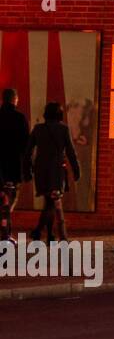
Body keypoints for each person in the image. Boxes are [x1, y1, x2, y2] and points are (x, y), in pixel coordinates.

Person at [25, 101, 80, 243]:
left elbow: (28, 151)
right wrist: (76, 169)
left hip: (41, 170)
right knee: (51, 203)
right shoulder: (63, 129)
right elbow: (71, 152)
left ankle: (49, 235)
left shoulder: (38, 129)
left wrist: (28, 167)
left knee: (48, 201)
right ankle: (38, 231)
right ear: (59, 114)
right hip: (56, 170)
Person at [0, 88, 30, 244]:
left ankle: (5, 231)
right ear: (15, 99)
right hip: (13, 167)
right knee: (9, 203)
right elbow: (26, 145)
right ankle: (5, 233)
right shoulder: (20, 118)